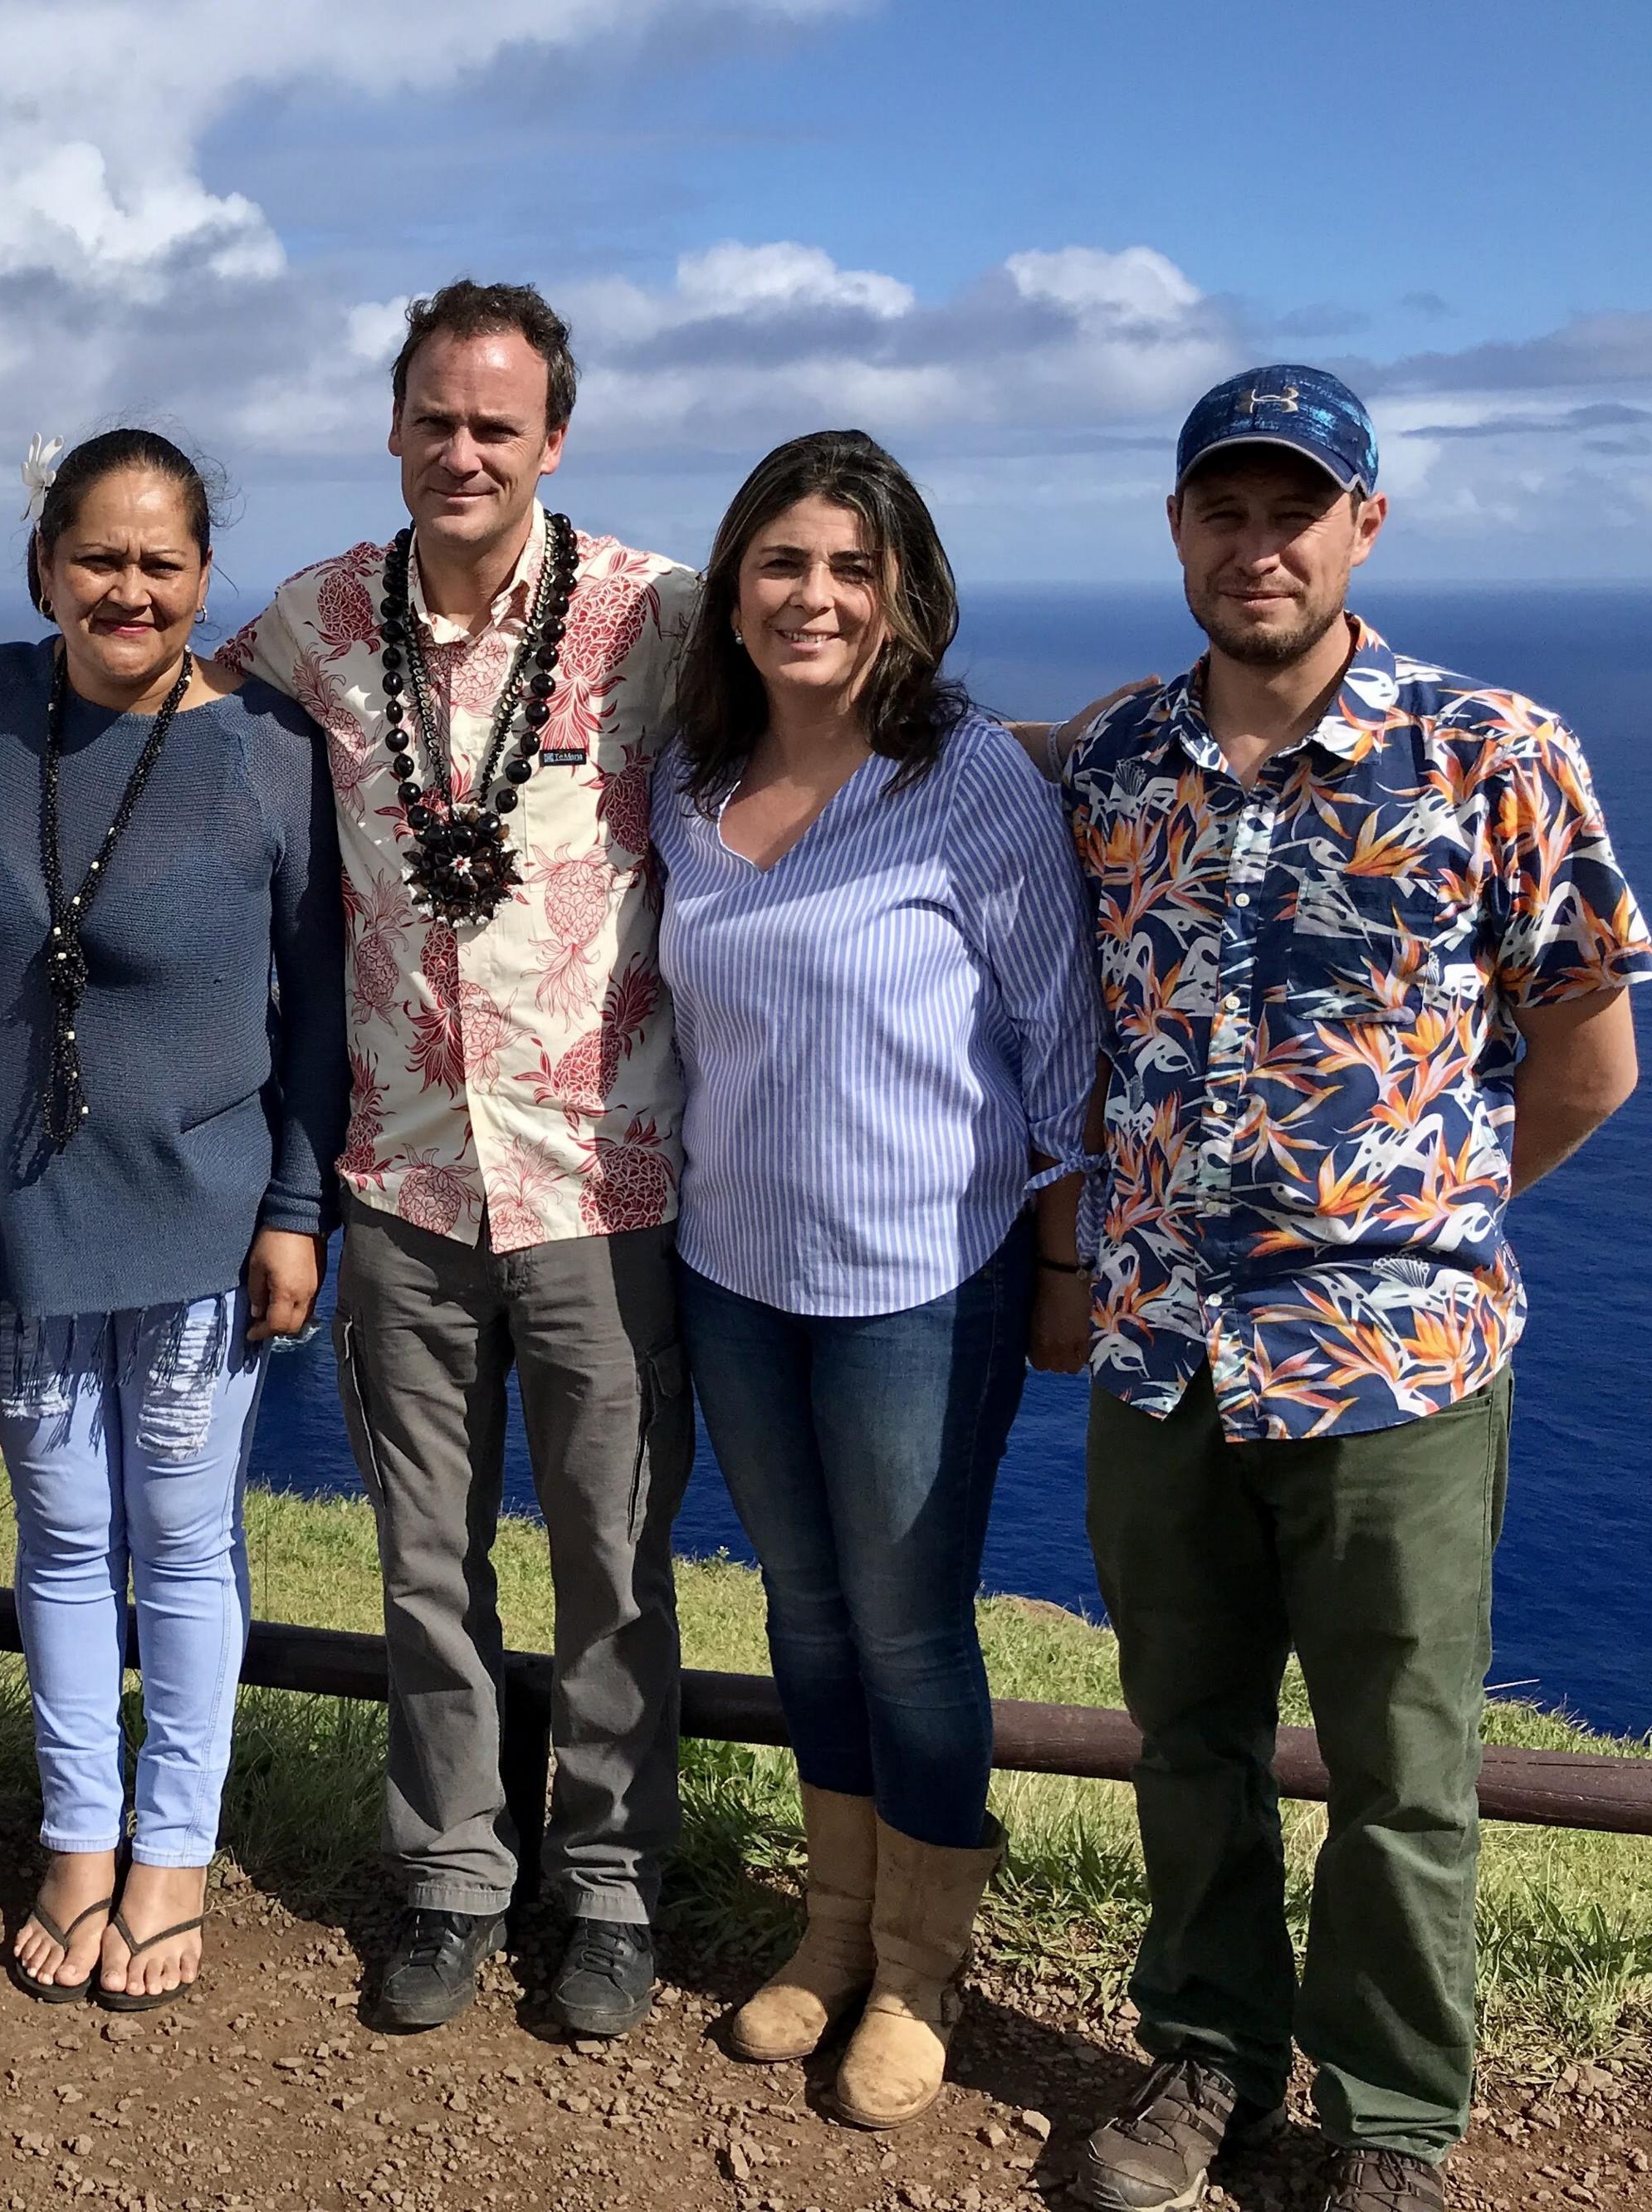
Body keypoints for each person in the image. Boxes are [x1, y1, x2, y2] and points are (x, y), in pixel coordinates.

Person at [1059, 369, 1652, 2212]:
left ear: (1365, 527)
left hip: (1395, 1367)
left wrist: (1419, 1225)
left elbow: (1588, 1057)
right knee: (1191, 1738)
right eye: (1223, 512)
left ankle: (1391, 2121)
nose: (1260, 546)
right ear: (1176, 532)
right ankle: (1212, 2056)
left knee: (1404, 1767)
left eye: (1294, 511)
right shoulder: (1113, 766)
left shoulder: (1493, 752)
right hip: (1160, 1353)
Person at [221, 281, 704, 2038]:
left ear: (552, 439)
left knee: (614, 1562)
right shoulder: (319, 618)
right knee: (425, 1562)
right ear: (397, 427)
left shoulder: (658, 617)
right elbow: (170, 720)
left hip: (604, 1179)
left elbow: (838, 680)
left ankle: (611, 1883)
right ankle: (450, 1871)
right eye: (437, 418)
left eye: (499, 425)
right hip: (402, 1178)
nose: (465, 451)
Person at [650, 432, 1098, 2125]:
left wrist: (1063, 1267)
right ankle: (829, 1930)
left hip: (925, 1275)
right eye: (783, 563)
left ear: (905, 594)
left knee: (909, 1632)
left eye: (851, 567)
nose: (814, 596)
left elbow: (1061, 1051)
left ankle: (921, 1969)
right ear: (736, 589)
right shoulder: (689, 781)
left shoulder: (970, 779)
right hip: (734, 1268)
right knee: (804, 1607)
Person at [0, 428, 345, 2012]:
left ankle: (174, 1848)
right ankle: (79, 1836)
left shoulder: (266, 749)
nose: (127, 587)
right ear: (43, 565)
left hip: (202, 1205)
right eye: (96, 557)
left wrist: (300, 1208)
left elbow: (317, 1010)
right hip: (20, 1207)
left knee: (181, 1543)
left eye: (160, 562)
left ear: (201, 577)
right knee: (58, 1533)